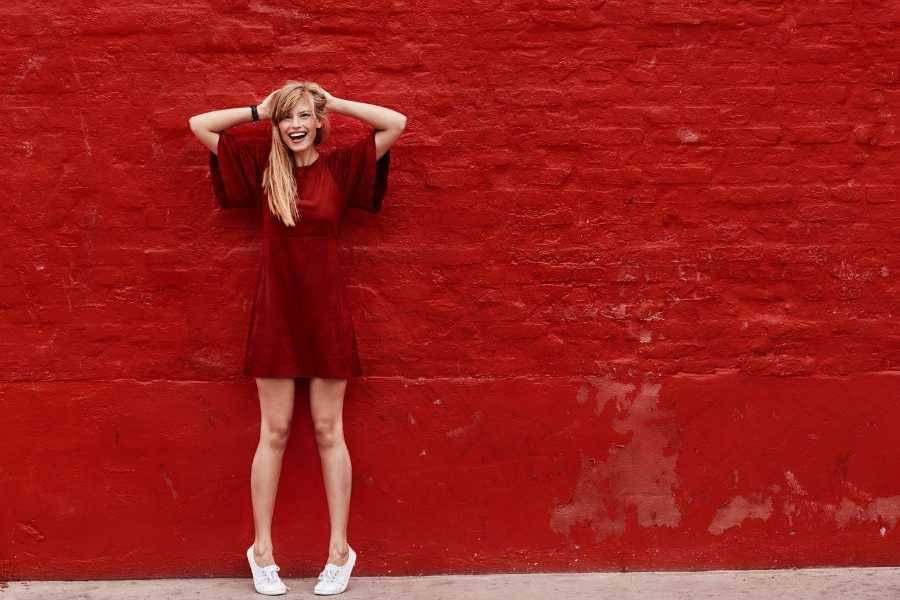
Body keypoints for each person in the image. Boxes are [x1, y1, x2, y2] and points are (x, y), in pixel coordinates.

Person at [188, 81, 407, 596]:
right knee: (275, 431)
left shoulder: (341, 169)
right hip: (277, 314)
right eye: (286, 117)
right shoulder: (263, 169)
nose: (295, 126)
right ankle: (262, 551)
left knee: (330, 430)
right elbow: (198, 125)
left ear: (318, 121)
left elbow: (395, 123)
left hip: (326, 315)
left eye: (305, 116)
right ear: (277, 123)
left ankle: (340, 551)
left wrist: (334, 103)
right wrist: (257, 110)